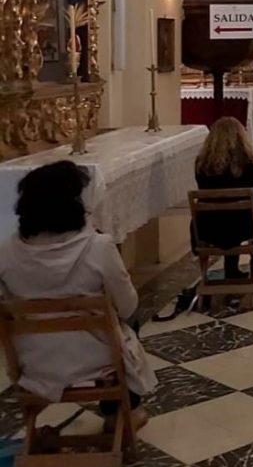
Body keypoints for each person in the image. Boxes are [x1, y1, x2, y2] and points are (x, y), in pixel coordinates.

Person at [0, 161, 156, 430]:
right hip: (97, 358)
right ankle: (120, 411)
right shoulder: (98, 248)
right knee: (131, 320)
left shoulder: (5, 253)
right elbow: (128, 306)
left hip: (34, 361)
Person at [191, 117, 253, 279]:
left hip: (208, 226)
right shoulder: (249, 165)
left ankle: (230, 269)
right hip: (244, 225)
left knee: (224, 211)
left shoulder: (202, 164)